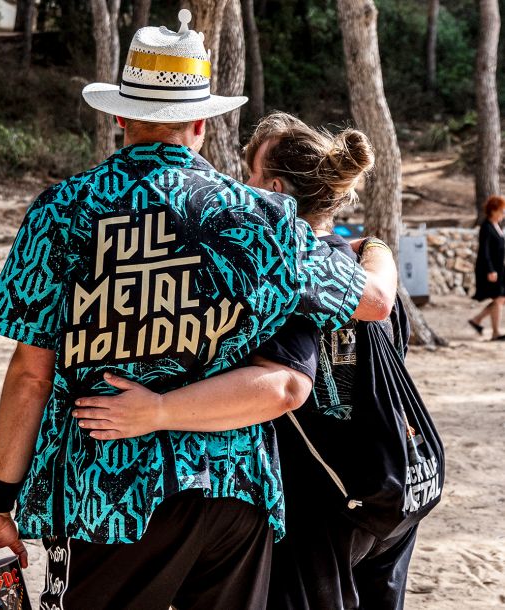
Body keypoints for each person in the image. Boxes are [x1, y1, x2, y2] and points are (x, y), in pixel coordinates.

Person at [0, 13, 397, 610]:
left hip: (106, 495)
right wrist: (374, 247)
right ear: (200, 123)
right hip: (234, 493)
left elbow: (30, 374)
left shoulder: (59, 211)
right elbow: (371, 302)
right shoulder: (265, 218)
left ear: (120, 116)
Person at [74, 113, 414, 610]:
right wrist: (378, 245)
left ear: (275, 188)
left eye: (251, 175)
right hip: (391, 486)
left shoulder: (283, 271)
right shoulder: (358, 266)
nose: (242, 185)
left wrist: (158, 410)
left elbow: (283, 387)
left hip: (323, 502)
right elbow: (382, 312)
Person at [469, 195, 505, 341]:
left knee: (501, 298)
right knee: (498, 298)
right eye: (502, 211)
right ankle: (496, 332)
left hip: (499, 269)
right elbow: (484, 251)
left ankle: (477, 320)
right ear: (493, 210)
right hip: (490, 270)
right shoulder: (486, 227)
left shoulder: (497, 226)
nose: (503, 214)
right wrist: (490, 270)